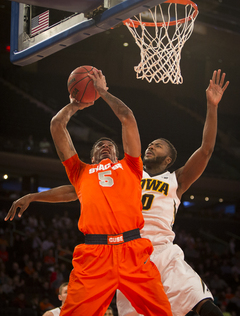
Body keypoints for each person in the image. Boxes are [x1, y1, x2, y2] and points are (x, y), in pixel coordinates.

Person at [5, 69, 228, 315]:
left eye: (110, 145)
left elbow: (131, 119)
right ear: (90, 157)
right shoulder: (86, 174)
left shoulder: (134, 169)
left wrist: (102, 91)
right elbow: (70, 184)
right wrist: (34, 196)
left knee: (201, 306)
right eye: (99, 145)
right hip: (100, 249)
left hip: (146, 249)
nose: (105, 146)